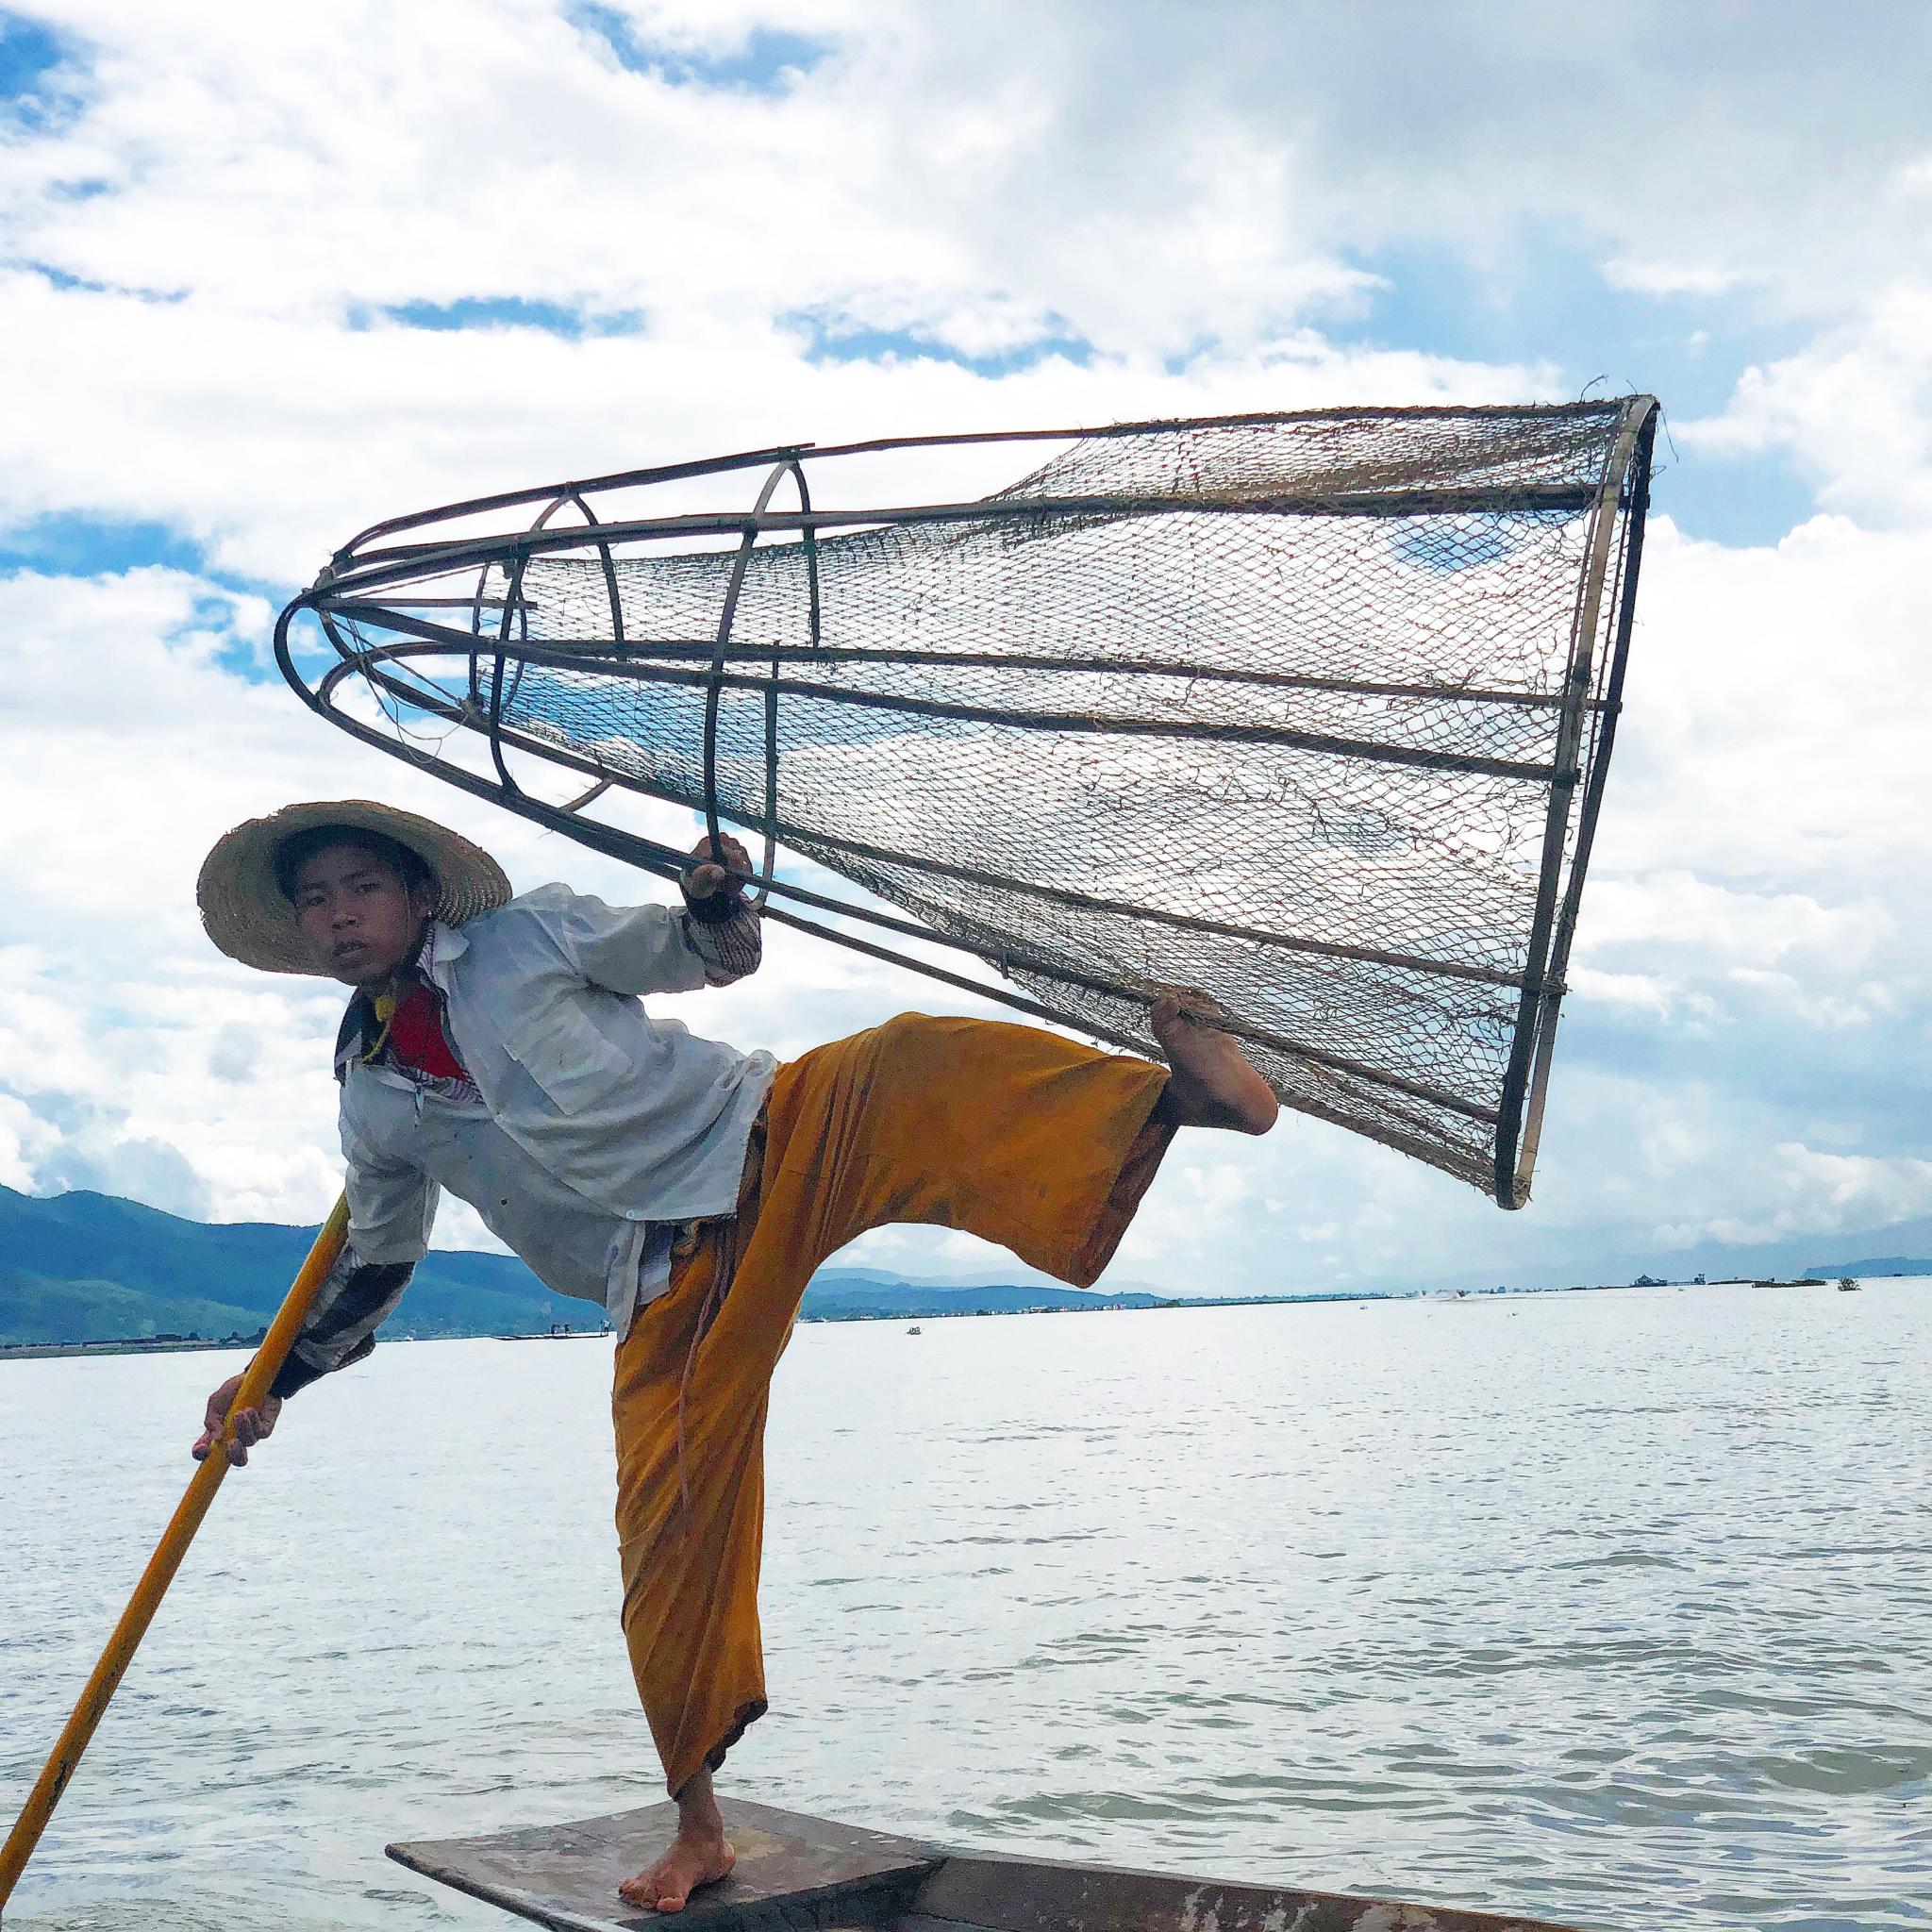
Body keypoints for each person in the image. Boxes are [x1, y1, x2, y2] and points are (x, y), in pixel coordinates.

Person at [189, 799, 1277, 1913]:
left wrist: (714, 900)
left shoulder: (531, 934)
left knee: (913, 1057)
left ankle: (1181, 1098)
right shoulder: (373, 1093)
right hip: (662, 1275)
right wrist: (270, 1380)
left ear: (419, 895)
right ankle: (699, 1828)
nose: (338, 916)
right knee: (665, 1532)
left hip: (766, 1128)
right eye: (316, 900)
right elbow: (375, 1264)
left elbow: (710, 956)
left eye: (360, 887)